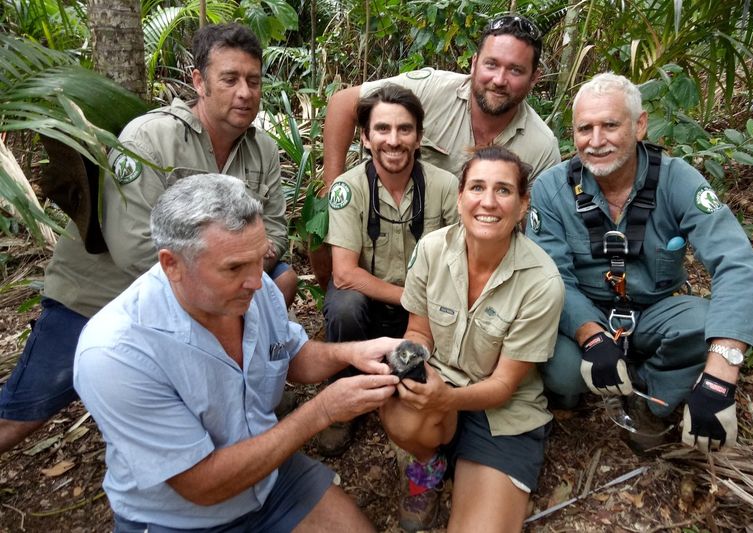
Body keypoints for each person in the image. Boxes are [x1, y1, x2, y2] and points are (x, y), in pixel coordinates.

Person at [0, 23, 295, 454]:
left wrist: (238, 271)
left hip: (206, 292)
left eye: (253, 80)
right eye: (229, 79)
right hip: (102, 295)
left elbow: (277, 230)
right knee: (22, 414)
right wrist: (223, 278)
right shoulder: (151, 138)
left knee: (281, 280)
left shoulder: (262, 150)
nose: (244, 92)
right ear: (199, 81)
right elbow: (135, 247)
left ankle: (240, 393)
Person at [74, 173, 401, 532]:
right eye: (233, 268)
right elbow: (202, 484)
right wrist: (322, 410)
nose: (258, 282)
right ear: (172, 264)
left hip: (270, 477)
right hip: (182, 518)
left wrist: (353, 353)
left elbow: (289, 355)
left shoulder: (250, 289)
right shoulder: (115, 353)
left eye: (259, 260)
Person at [526, 72, 753, 453]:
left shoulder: (678, 181)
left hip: (655, 311)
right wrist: (591, 336)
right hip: (586, 311)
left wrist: (720, 377)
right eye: (584, 129)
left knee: (700, 322)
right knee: (562, 373)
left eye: (610, 125)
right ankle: (581, 393)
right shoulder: (551, 189)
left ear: (640, 125)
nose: (596, 140)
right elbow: (551, 276)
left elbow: (737, 265)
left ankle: (650, 401)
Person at [380, 146, 564, 532]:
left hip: (503, 413)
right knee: (402, 414)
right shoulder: (432, 249)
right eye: (477, 187)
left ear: (522, 204)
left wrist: (448, 398)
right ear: (460, 196)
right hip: (441, 386)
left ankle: (471, 461)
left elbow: (503, 386)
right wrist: (412, 364)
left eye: (503, 190)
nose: (488, 202)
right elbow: (418, 331)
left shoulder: (542, 282)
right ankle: (429, 463)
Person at [311, 13, 561, 289]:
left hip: (469, 256)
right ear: (475, 63)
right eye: (491, 64)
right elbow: (343, 104)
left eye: (515, 70)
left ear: (535, 77)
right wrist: (332, 187)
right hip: (388, 224)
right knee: (324, 218)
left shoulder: (541, 146)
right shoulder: (431, 89)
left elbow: (535, 233)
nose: (499, 80)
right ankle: (335, 311)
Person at [318, 85, 459, 456]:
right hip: (376, 301)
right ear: (365, 137)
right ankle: (346, 393)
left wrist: (429, 307)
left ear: (419, 137)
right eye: (382, 129)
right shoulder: (348, 188)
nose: (393, 141)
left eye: (404, 130)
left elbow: (461, 258)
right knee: (344, 305)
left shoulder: (445, 187)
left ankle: (427, 401)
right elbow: (345, 273)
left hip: (426, 312)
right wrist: (411, 299)